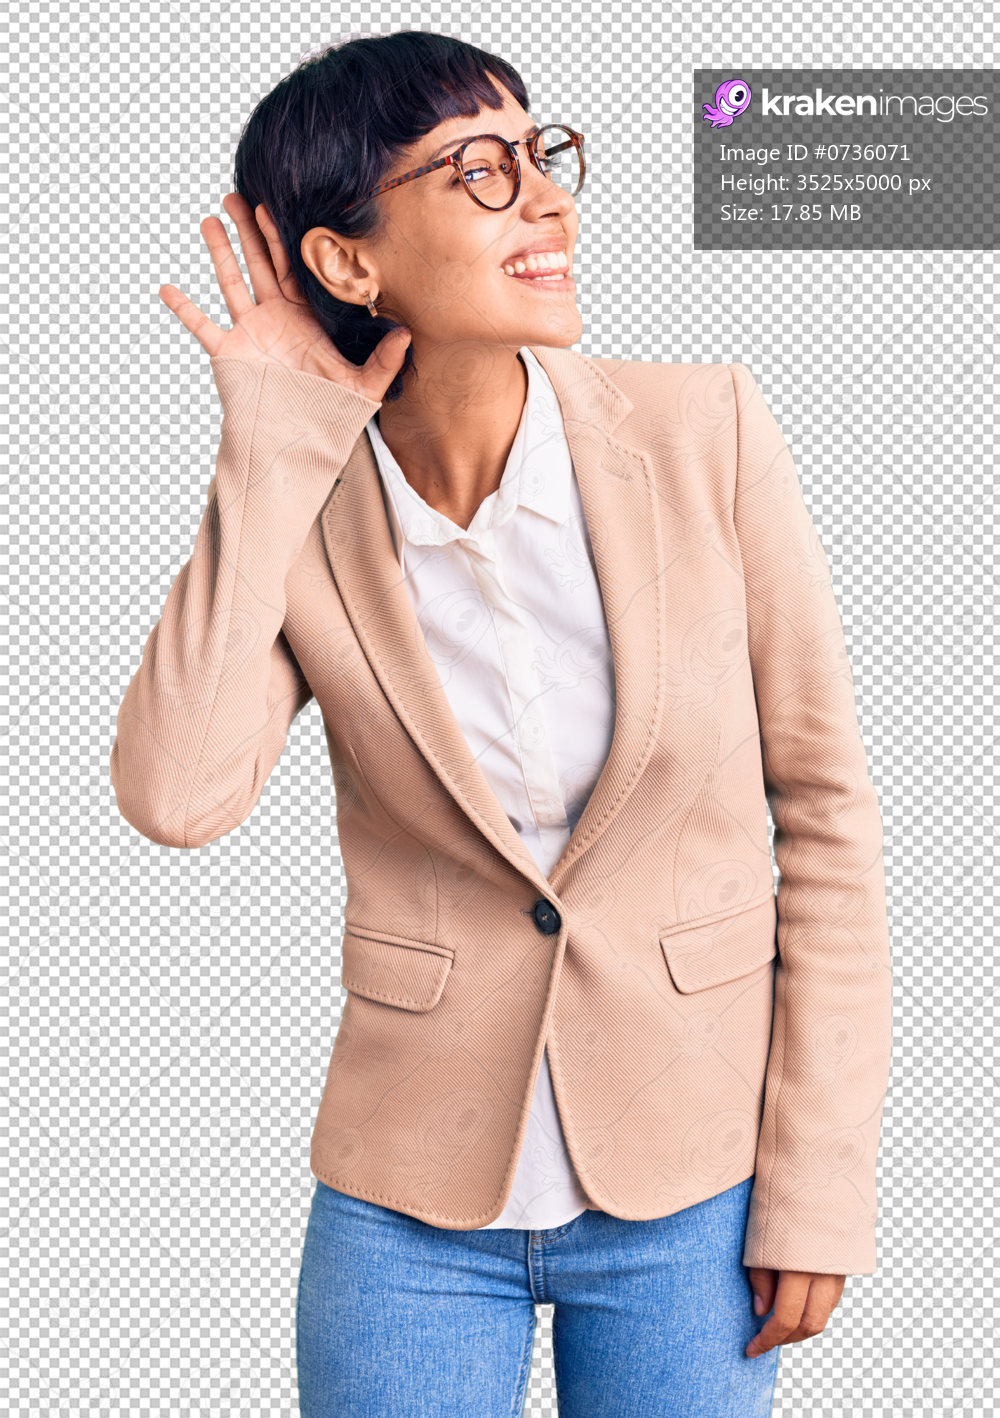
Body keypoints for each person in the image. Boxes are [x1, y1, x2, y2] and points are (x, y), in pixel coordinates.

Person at [109, 30, 893, 1418]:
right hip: (407, 1205)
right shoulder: (309, 502)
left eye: (542, 155)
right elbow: (177, 795)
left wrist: (818, 1180)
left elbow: (827, 811)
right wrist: (268, 448)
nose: (545, 198)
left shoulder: (705, 429)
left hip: (689, 1187)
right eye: (479, 169)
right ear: (348, 260)